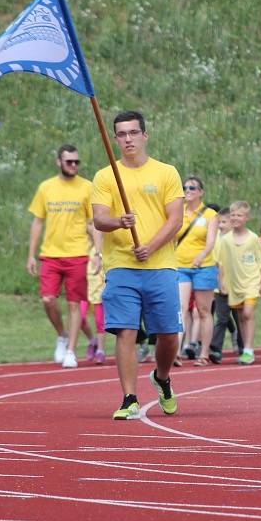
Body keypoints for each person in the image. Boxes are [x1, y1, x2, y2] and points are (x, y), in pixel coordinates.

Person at [92, 110, 184, 419]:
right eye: (122, 134)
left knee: (169, 335)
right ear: (115, 138)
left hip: (161, 266)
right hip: (121, 267)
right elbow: (99, 219)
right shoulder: (106, 176)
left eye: (133, 132)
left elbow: (176, 218)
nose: (128, 138)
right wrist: (119, 221)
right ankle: (129, 398)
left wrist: (152, 246)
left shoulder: (166, 172)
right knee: (125, 331)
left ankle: (161, 377)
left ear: (145, 135)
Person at [27, 144, 100, 369]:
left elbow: (93, 223)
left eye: (77, 162)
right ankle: (62, 335)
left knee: (74, 303)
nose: (74, 166)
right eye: (69, 162)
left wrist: (97, 252)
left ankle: (70, 352)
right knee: (48, 299)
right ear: (59, 162)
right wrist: (31, 255)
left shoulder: (87, 187)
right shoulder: (46, 187)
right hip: (50, 254)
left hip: (77, 253)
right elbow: (38, 221)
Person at [217, 201, 261, 365]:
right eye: (232, 215)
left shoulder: (253, 239)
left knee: (248, 313)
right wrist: (222, 282)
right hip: (234, 284)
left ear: (246, 218)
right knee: (240, 316)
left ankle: (248, 348)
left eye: (239, 215)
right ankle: (246, 349)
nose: (235, 218)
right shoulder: (225, 240)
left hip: (251, 282)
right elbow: (221, 262)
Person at [175, 176, 218, 367]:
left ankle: (204, 352)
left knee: (203, 310)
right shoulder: (178, 212)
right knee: (181, 309)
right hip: (181, 266)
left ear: (201, 192)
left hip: (203, 267)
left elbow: (210, 241)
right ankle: (176, 351)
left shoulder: (210, 215)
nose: (188, 190)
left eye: (192, 188)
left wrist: (202, 255)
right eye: (185, 187)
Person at [209, 207, 242, 364]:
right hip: (220, 286)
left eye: (224, 222)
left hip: (237, 286)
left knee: (239, 317)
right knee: (221, 318)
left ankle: (243, 347)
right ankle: (215, 349)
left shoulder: (236, 239)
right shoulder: (214, 239)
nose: (221, 225)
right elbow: (216, 262)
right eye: (219, 222)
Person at [80, 241, 107, 364]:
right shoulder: (83, 245)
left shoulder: (105, 247)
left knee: (99, 321)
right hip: (84, 290)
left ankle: (100, 350)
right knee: (80, 318)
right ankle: (92, 340)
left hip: (99, 290)